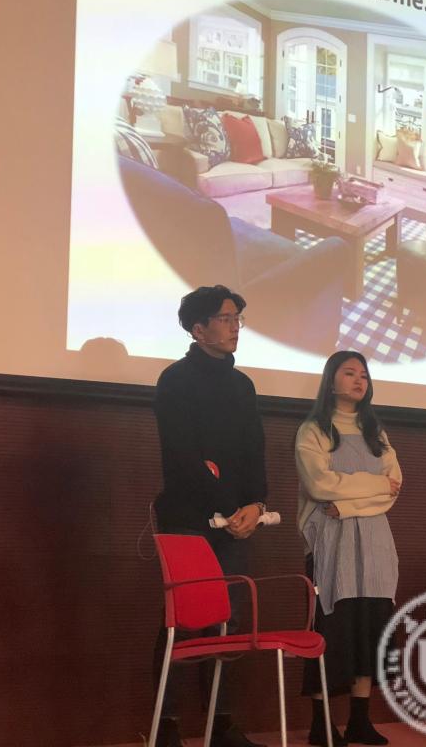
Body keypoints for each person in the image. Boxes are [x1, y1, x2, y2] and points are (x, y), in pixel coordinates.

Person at [152, 285, 268, 747]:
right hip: (188, 518)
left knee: (229, 622)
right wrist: (227, 503)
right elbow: (182, 457)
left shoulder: (242, 385)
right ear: (198, 329)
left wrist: (256, 504)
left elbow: (254, 453)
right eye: (225, 318)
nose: (234, 325)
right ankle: (166, 725)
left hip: (237, 521)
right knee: (184, 621)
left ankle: (220, 724)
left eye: (237, 317)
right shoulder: (175, 380)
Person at [295, 351, 402, 747]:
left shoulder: (375, 431)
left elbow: (394, 487)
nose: (359, 380)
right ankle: (321, 725)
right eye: (349, 373)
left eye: (364, 375)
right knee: (333, 631)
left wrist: (348, 502)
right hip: (332, 544)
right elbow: (320, 486)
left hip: (375, 544)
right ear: (331, 380)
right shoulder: (314, 430)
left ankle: (360, 719)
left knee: (369, 629)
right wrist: (375, 485)